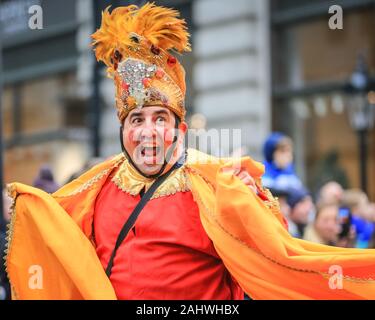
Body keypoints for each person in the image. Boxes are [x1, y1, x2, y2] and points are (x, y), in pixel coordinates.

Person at [5, 3, 375, 300]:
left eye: (159, 118)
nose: (148, 131)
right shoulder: (95, 190)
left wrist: (251, 200)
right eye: (136, 120)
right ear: (123, 132)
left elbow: (273, 256)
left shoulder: (215, 183)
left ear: (178, 130)